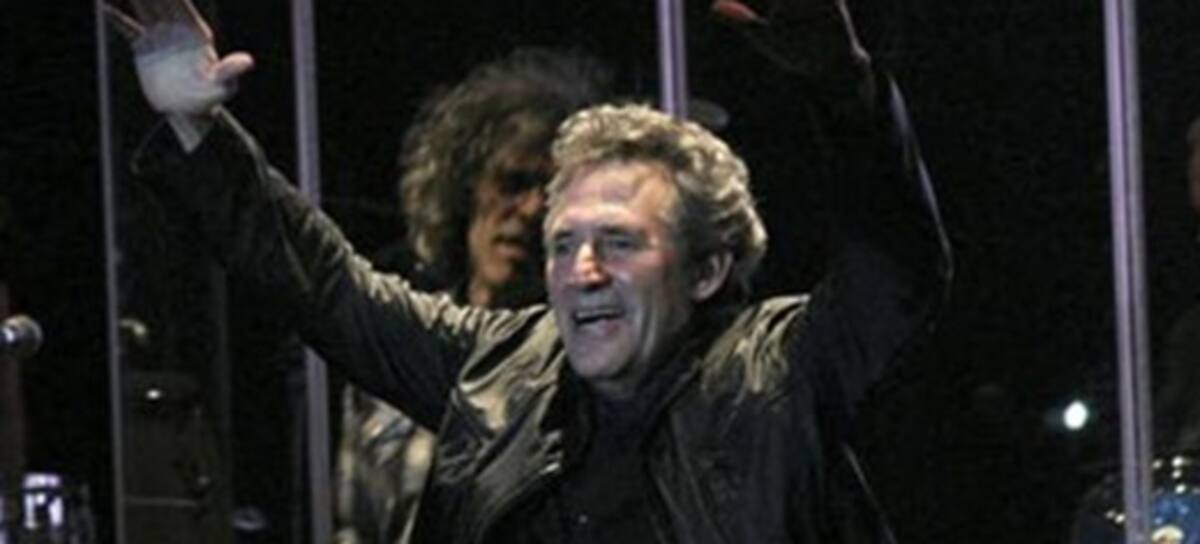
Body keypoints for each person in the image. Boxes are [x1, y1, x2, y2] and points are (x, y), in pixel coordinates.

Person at [114, 0, 952, 541]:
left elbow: (897, 261)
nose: (581, 271)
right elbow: (327, 287)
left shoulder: (778, 372)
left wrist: (845, 90)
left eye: (618, 243)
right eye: (563, 243)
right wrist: (198, 130)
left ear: (705, 272)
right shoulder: (499, 368)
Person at [336, 49, 611, 543]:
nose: (530, 209)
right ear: (466, 189)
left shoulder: (591, 360)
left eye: (552, 195)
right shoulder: (400, 340)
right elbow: (356, 525)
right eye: (513, 183)